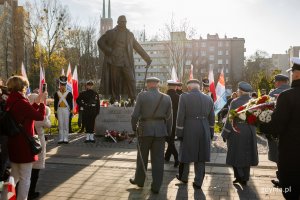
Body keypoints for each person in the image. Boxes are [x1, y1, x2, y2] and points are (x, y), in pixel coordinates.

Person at [5, 75, 46, 200]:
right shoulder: (22, 102)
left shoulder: (11, 100)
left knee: (14, 177)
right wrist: (43, 104)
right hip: (24, 145)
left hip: (13, 143)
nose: (26, 88)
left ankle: (5, 197)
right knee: (25, 178)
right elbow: (39, 117)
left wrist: (35, 103)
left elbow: (25, 114)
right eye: (25, 86)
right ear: (22, 87)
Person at [129, 77, 172, 194]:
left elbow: (135, 115)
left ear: (148, 85)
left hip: (145, 131)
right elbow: (169, 118)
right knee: (158, 160)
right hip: (160, 131)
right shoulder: (166, 98)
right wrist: (168, 132)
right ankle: (156, 186)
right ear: (158, 85)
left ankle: (139, 180)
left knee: (142, 157)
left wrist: (134, 128)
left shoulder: (142, 96)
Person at [98, 15, 152, 105]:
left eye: (125, 22)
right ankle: (115, 100)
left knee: (131, 80)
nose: (124, 23)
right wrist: (109, 50)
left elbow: (138, 47)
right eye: (122, 22)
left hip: (126, 62)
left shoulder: (129, 35)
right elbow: (100, 42)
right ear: (118, 22)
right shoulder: (111, 33)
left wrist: (147, 58)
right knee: (115, 82)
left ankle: (132, 98)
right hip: (114, 61)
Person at [267, 58, 300, 199]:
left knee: (288, 191)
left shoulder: (286, 96)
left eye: (292, 72)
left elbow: (276, 126)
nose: (292, 75)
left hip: (291, 154)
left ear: (297, 74)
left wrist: (261, 125)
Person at [175, 79, 214, 189]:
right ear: (198, 87)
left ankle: (184, 177)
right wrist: (211, 132)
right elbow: (212, 117)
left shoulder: (184, 97)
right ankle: (198, 182)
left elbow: (180, 116)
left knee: (186, 154)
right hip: (204, 127)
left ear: (189, 87)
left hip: (189, 128)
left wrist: (179, 132)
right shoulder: (208, 98)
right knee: (201, 155)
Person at [221, 82, 258, 185]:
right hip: (250, 130)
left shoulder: (235, 101)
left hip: (237, 130)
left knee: (235, 154)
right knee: (247, 154)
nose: (237, 92)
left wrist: (225, 134)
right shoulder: (254, 101)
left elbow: (230, 119)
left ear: (240, 91)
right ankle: (245, 178)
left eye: (238, 90)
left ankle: (239, 176)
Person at [267, 74, 290, 188]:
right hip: (292, 132)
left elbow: (267, 112)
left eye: (275, 82)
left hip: (277, 132)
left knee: (279, 156)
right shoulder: (293, 90)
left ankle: (283, 179)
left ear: (279, 82)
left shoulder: (273, 93)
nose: (275, 84)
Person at [27, 94, 51, 199]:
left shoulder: (27, 111)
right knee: (35, 171)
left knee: (25, 170)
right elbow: (48, 125)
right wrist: (46, 114)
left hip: (27, 140)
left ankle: (23, 190)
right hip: (37, 140)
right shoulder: (38, 114)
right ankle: (31, 192)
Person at [54, 75, 73, 144]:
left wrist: (71, 112)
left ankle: (66, 138)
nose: (62, 86)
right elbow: (55, 103)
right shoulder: (56, 93)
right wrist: (55, 111)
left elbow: (71, 104)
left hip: (66, 109)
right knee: (60, 124)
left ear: (66, 84)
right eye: (61, 84)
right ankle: (61, 138)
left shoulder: (69, 93)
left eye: (64, 84)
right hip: (59, 109)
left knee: (66, 124)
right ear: (60, 85)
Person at [164, 80, 179, 167]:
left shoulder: (165, 96)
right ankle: (167, 157)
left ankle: (176, 157)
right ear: (175, 87)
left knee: (169, 140)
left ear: (168, 87)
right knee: (171, 139)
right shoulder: (178, 96)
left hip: (165, 120)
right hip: (175, 121)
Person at [0, 81, 10, 182]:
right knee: (4, 158)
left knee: (4, 158)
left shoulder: (4, 96)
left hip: (4, 132)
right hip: (3, 133)